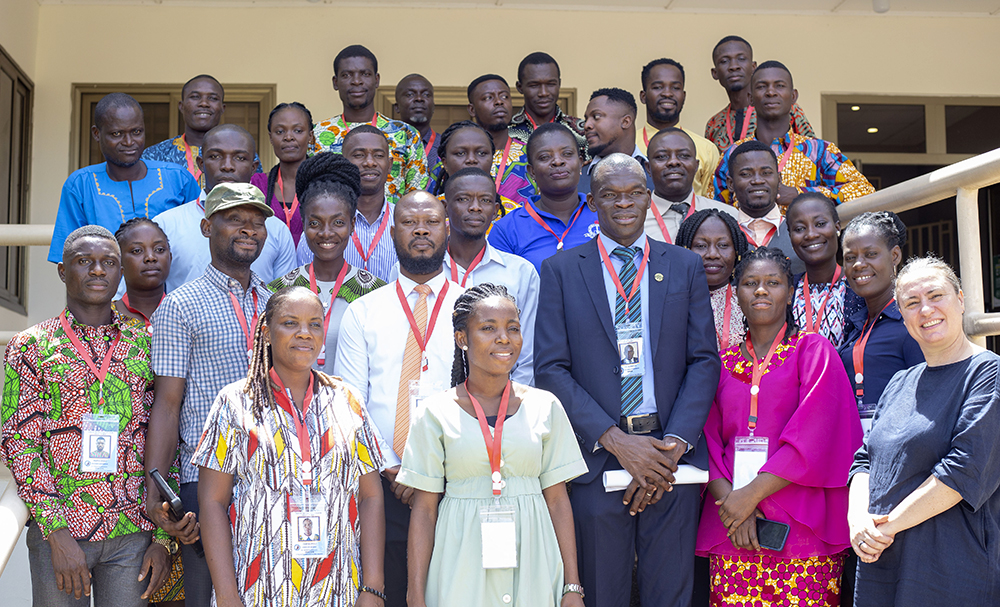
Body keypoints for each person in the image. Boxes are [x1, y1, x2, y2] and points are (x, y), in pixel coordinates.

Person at [535, 154, 720, 607]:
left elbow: (704, 361)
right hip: (598, 458)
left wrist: (671, 445)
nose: (624, 203)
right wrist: (618, 442)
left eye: (635, 193)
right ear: (592, 202)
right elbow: (550, 369)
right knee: (602, 593)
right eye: (611, 195)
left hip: (670, 461)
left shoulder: (683, 265)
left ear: (648, 196)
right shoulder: (561, 270)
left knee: (670, 594)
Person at [3, 225, 172, 606]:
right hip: (59, 533)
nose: (98, 271)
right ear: (63, 271)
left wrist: (163, 539)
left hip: (132, 534)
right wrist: (56, 533)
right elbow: (19, 443)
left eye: (109, 263)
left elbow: (164, 436)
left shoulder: (146, 344)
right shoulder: (31, 346)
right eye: (85, 262)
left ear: (120, 273)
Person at [193, 286, 386, 607]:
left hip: (338, 587)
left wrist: (373, 586)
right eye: (290, 323)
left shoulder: (347, 400)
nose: (304, 333)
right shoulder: (235, 402)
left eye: (314, 324)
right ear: (267, 332)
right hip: (259, 587)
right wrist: (227, 595)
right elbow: (212, 502)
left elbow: (370, 496)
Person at [400, 283, 588, 607]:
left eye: (512, 328)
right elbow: (424, 511)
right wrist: (415, 594)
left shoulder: (547, 406)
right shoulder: (434, 412)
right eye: (489, 328)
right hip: (460, 564)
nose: (504, 338)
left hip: (535, 563)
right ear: (462, 338)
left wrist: (572, 585)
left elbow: (558, 502)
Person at [697, 246, 862, 607]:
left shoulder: (814, 351)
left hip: (801, 521)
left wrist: (747, 497)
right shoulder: (719, 363)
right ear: (735, 291)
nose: (760, 290)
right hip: (732, 524)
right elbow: (704, 440)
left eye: (772, 282)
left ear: (789, 292)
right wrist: (732, 504)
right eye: (750, 283)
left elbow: (817, 435)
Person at [145, 182, 275, 607]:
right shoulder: (180, 305)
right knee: (208, 596)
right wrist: (155, 486)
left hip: (273, 473)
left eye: (257, 222)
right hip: (204, 479)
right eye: (235, 219)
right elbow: (167, 404)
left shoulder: (275, 305)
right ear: (206, 227)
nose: (249, 230)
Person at [334, 190, 463, 607]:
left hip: (456, 480)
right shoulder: (364, 311)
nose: (421, 229)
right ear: (392, 232)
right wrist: (394, 468)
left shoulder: (473, 305)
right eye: (409, 222)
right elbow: (350, 403)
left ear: (448, 229)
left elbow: (483, 395)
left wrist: (433, 473)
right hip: (382, 484)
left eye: (431, 221)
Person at [848, 256, 1000, 606]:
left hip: (949, 568)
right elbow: (864, 461)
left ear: (961, 299)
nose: (926, 310)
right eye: (912, 303)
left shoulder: (986, 374)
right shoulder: (900, 382)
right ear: (902, 314)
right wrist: (857, 520)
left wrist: (884, 528)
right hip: (882, 562)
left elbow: (963, 471)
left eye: (936, 296)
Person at [111, 216, 187, 605]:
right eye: (136, 251)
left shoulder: (188, 311)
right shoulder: (103, 318)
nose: (150, 258)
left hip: (179, 462)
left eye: (159, 249)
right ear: (119, 260)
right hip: (120, 478)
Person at [268, 152, 386, 375]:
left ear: (352, 224)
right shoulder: (279, 291)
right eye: (315, 223)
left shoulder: (376, 293)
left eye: (338, 222)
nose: (326, 233)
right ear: (303, 224)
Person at [48, 93, 200, 265]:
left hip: (175, 290)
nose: (129, 142)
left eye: (136, 132)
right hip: (106, 291)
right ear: (96, 133)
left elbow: (200, 243)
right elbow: (70, 261)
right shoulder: (81, 185)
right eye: (117, 133)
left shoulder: (178, 178)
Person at [153, 124, 297, 292]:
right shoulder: (166, 225)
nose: (227, 166)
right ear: (201, 163)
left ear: (253, 168)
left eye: (240, 158)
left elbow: (285, 300)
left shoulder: (275, 228)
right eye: (215, 156)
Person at [429, 166, 538, 384]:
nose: (475, 208)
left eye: (485, 201)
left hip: (501, 404)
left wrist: (508, 407)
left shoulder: (521, 273)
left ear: (496, 210)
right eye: (463, 199)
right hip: (435, 398)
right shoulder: (422, 271)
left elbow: (527, 356)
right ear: (444, 207)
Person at [712, 61, 874, 206]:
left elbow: (864, 191)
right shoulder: (733, 154)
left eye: (779, 86)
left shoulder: (819, 151)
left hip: (806, 238)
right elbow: (713, 207)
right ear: (750, 98)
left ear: (793, 96)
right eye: (762, 86)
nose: (771, 92)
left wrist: (800, 194)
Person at [838, 211, 924, 439]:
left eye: (871, 254)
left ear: (894, 255)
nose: (858, 264)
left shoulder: (912, 323)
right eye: (849, 257)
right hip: (857, 460)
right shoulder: (856, 327)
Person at [313, 44, 428, 197]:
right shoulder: (316, 135)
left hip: (393, 220)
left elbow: (417, 197)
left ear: (377, 80)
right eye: (347, 75)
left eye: (365, 74)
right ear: (335, 82)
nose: (356, 81)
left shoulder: (406, 134)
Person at [489, 123, 600, 274]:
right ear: (532, 171)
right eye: (545, 157)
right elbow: (499, 291)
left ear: (580, 163)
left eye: (567, 154)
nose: (557, 161)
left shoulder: (604, 214)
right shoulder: (506, 229)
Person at [298, 126, 399, 282]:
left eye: (378, 155)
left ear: (390, 164)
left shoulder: (404, 223)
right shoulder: (318, 229)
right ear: (344, 161)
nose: (370, 162)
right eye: (359, 155)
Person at [142, 74, 261, 182]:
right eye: (195, 97)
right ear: (182, 106)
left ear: (222, 108)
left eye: (213, 98)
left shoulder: (244, 156)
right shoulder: (155, 155)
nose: (204, 103)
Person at [704, 36, 815, 152]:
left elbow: (813, 154)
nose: (734, 66)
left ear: (753, 67)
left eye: (741, 58)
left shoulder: (788, 110)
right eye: (724, 61)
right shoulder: (714, 123)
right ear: (715, 73)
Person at [787, 192, 865, 348]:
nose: (811, 234)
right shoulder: (786, 290)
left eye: (820, 224)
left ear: (837, 227)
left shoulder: (861, 286)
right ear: (790, 236)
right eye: (800, 228)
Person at [635, 59, 719, 197]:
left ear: (684, 96)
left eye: (675, 88)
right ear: (643, 96)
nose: (667, 93)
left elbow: (711, 203)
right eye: (658, 87)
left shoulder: (707, 150)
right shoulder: (628, 148)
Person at [644, 128, 736, 245]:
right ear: (648, 168)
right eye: (662, 156)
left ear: (696, 166)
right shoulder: (634, 221)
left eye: (683, 155)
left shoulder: (728, 216)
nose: (673, 162)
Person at [725, 140, 804, 273]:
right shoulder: (723, 233)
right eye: (746, 174)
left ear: (779, 179)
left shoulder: (802, 233)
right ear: (731, 183)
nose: (757, 180)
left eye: (766, 173)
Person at [676, 208, 749, 350]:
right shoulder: (672, 301)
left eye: (723, 245)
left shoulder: (749, 300)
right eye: (701, 246)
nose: (712, 254)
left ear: (737, 252)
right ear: (685, 249)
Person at [251, 102, 316, 247]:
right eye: (280, 131)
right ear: (270, 137)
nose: (288, 137)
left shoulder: (325, 184)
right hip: (268, 268)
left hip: (314, 268)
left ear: (310, 136)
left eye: (298, 131)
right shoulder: (256, 184)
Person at [467, 74, 534, 207]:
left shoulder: (532, 155)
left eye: (504, 96)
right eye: (488, 97)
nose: (499, 102)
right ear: (472, 110)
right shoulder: (459, 156)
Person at [508, 52, 588, 161]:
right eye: (534, 85)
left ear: (559, 84)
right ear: (520, 87)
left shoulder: (583, 132)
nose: (544, 93)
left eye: (550, 84)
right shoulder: (505, 132)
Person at [433, 120, 519, 218]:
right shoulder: (426, 212)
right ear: (445, 163)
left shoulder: (515, 215)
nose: (471, 160)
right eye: (460, 153)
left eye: (481, 153)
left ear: (492, 160)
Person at [580, 88, 654, 196]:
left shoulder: (655, 174)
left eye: (596, 116)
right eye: (586, 119)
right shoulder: (576, 178)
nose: (587, 125)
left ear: (625, 122)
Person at [394, 74, 441, 193]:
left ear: (434, 107)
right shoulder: (386, 145)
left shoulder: (447, 145)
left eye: (426, 94)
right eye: (410, 94)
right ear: (397, 107)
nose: (419, 99)